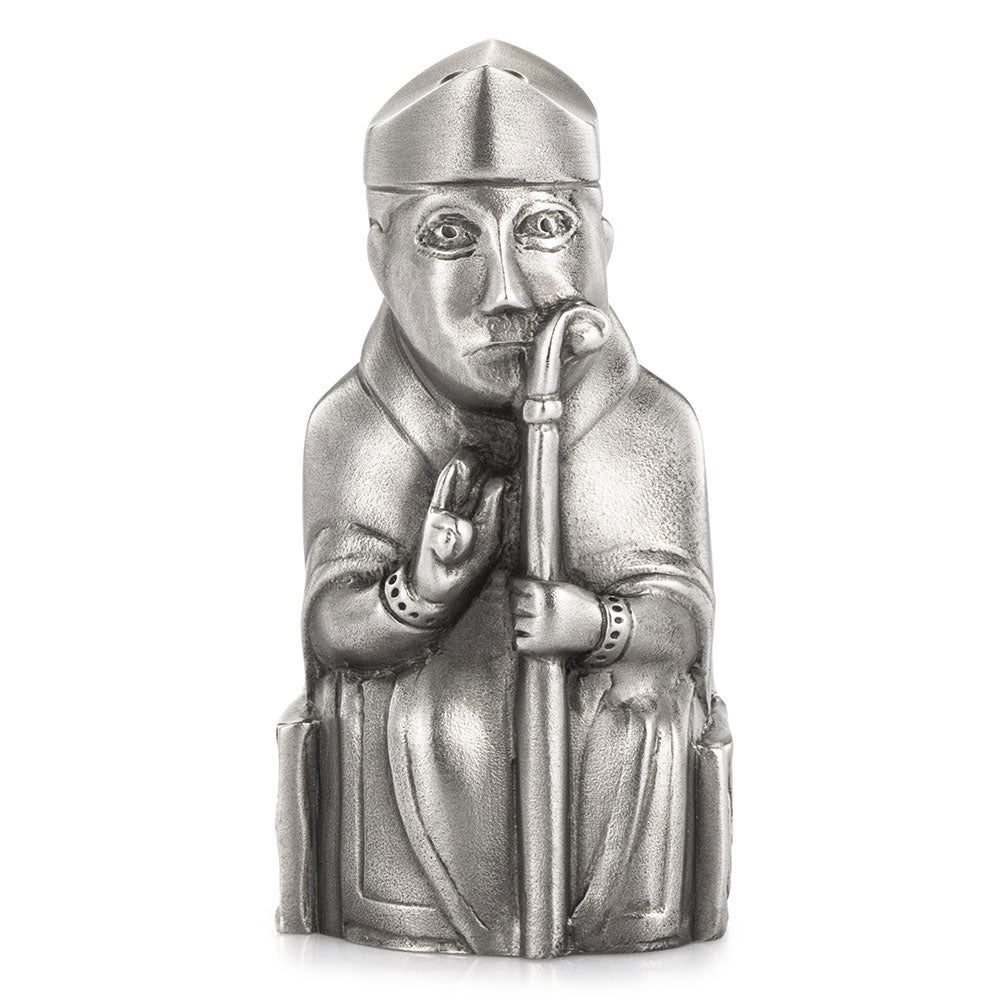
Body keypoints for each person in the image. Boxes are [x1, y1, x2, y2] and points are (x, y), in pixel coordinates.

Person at [276, 39, 732, 956]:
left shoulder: (651, 422)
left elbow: (682, 622)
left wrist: (597, 624)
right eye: (451, 237)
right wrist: (417, 596)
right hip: (404, 832)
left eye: (545, 229)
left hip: (608, 808)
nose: (508, 293)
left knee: (620, 722)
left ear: (602, 242)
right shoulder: (353, 427)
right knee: (433, 717)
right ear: (380, 255)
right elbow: (332, 630)